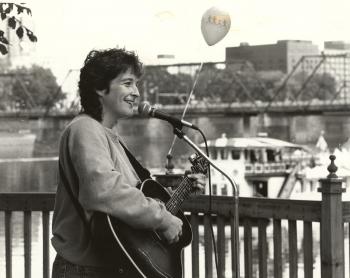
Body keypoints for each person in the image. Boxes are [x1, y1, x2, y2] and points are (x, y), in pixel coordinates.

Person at [51, 47, 206, 278]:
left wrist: (180, 192)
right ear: (99, 88)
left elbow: (128, 196)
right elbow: (105, 191)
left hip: (108, 267)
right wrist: (163, 219)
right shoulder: (85, 129)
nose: (136, 93)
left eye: (136, 84)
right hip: (83, 270)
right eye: (127, 83)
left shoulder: (109, 136)